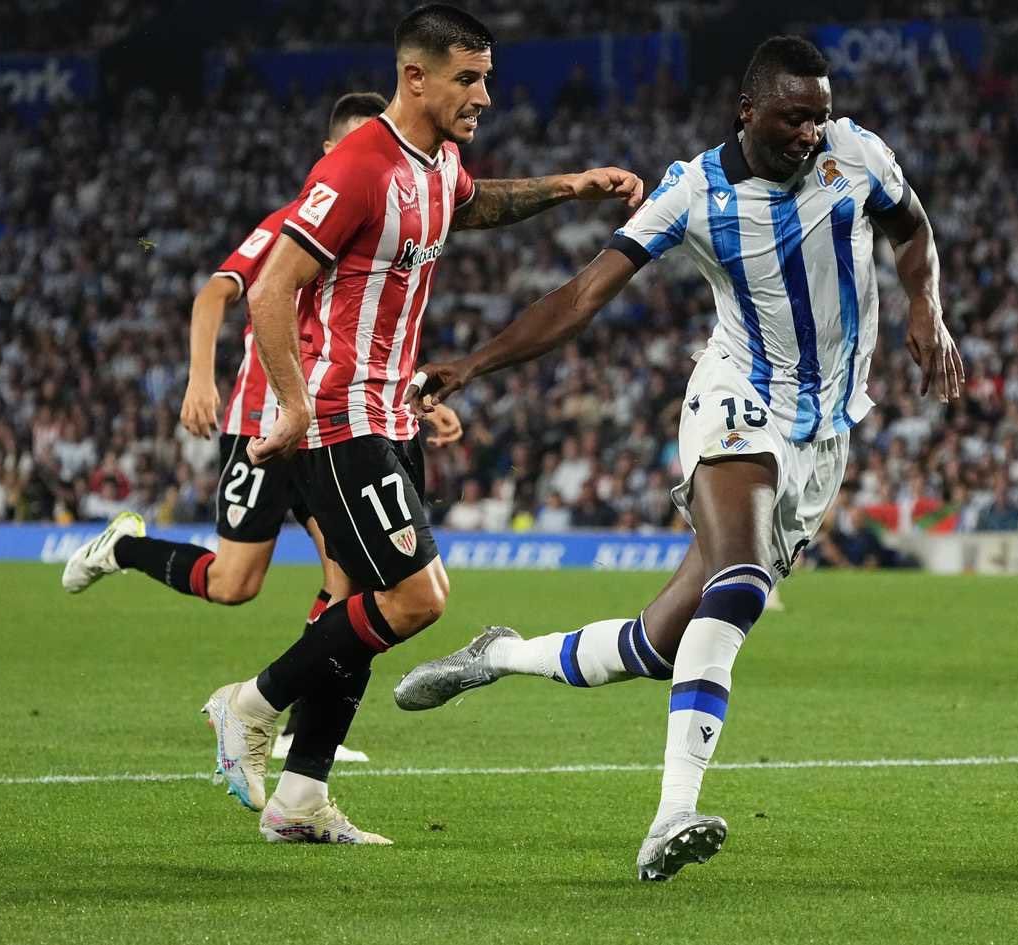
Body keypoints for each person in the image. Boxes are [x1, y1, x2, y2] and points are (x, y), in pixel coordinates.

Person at [392, 34, 964, 879]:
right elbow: (586, 293)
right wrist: (474, 364)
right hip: (736, 394)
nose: (812, 132)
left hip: (824, 431)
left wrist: (927, 306)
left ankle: (499, 653)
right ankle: (672, 814)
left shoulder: (860, 155)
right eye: (794, 117)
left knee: (661, 644)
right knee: (740, 584)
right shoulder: (692, 190)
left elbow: (913, 230)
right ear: (748, 111)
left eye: (821, 116)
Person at [197, 3, 643, 844]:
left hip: (394, 408)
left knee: (361, 603)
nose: (484, 96)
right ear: (416, 76)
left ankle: (298, 799)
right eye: (469, 79)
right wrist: (293, 403)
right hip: (341, 417)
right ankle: (249, 704)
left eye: (487, 78)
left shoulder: (438, 163)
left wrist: (570, 187)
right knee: (416, 598)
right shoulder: (362, 163)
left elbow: (472, 207)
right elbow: (267, 288)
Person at [58, 91, 462, 764]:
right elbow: (217, 291)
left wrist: (415, 392)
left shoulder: (386, 221)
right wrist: (199, 376)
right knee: (234, 582)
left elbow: (364, 336)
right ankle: (124, 548)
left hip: (329, 426)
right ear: (331, 153)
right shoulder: (293, 223)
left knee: (352, 581)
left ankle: (300, 731)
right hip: (261, 422)